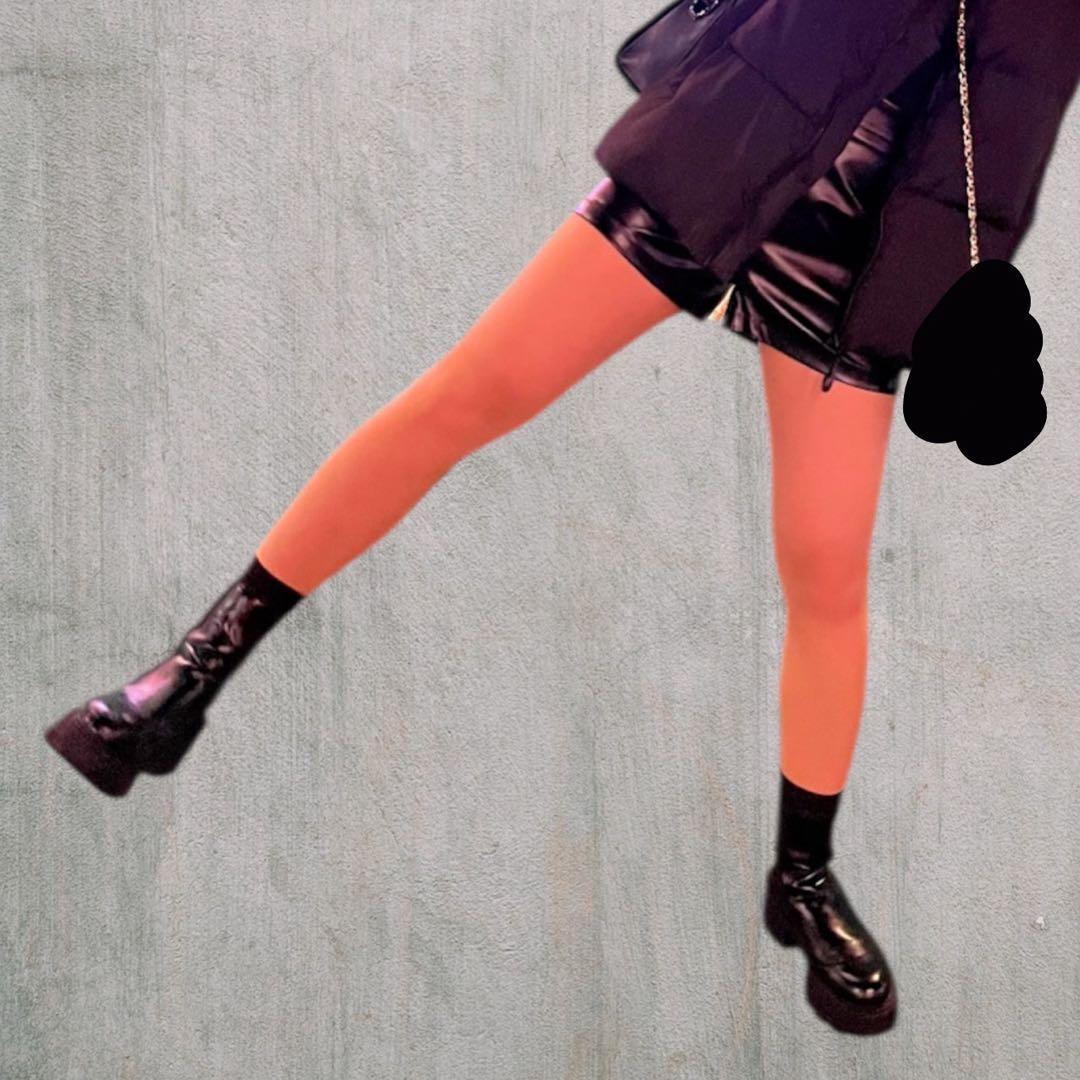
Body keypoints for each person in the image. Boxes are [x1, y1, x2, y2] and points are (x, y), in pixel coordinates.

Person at [43, 0, 1079, 1038]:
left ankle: (800, 874)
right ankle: (193, 672)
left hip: (885, 240)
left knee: (827, 567)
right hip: (744, 135)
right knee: (468, 395)